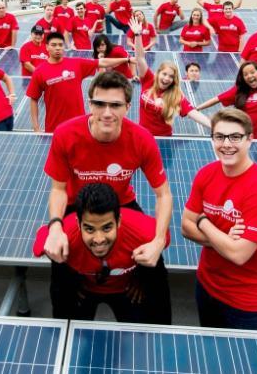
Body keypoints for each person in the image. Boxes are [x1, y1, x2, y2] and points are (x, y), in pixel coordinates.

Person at [42, 71, 174, 322]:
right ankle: (72, 298)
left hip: (122, 203)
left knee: (154, 263)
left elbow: (164, 195)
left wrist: (158, 241)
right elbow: (58, 189)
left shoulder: (142, 139)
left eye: (115, 105)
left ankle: (144, 294)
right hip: (77, 206)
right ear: (89, 103)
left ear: (127, 107)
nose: (106, 113)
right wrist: (55, 227)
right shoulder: (66, 134)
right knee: (59, 256)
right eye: (99, 104)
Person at [181, 108, 257, 331]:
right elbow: (184, 227)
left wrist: (203, 222)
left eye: (235, 137)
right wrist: (225, 241)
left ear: (250, 139)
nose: (226, 144)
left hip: (245, 301)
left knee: (243, 364)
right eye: (219, 137)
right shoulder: (206, 174)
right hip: (206, 286)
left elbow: (239, 255)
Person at [33, 183, 171, 323]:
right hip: (83, 291)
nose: (99, 240)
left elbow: (164, 236)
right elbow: (41, 237)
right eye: (90, 229)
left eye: (106, 228)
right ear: (78, 223)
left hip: (128, 290)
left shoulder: (142, 230)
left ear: (119, 221)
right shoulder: (66, 233)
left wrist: (143, 277)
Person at [27, 32, 132, 132]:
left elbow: (102, 62)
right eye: (53, 45)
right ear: (47, 47)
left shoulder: (76, 63)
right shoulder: (39, 71)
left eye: (60, 45)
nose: (57, 48)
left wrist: (126, 60)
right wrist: (36, 128)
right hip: (54, 126)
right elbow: (33, 99)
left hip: (79, 124)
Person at [196, 29, 257, 139]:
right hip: (234, 136)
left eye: (252, 72)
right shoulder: (240, 90)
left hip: (251, 139)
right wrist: (195, 109)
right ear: (243, 78)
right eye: (246, 74)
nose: (250, 76)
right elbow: (216, 99)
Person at [130, 16, 211, 136]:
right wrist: (137, 35)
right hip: (143, 136)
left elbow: (193, 113)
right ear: (158, 73)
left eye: (171, 76)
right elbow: (140, 58)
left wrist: (214, 126)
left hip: (164, 138)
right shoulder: (148, 79)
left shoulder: (175, 94)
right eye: (164, 74)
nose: (167, 78)